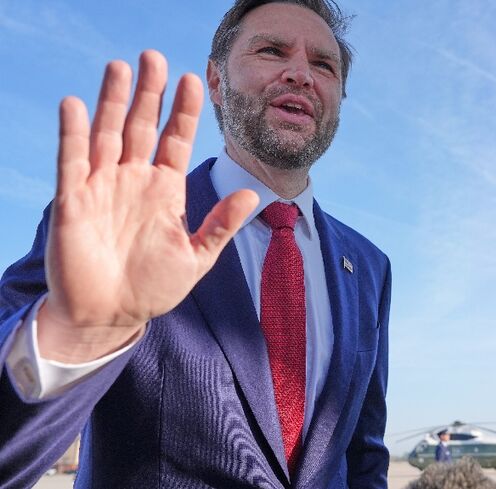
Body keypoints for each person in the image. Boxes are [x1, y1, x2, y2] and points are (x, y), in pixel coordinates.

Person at [0, 1, 391, 488]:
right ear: (215, 80)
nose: (300, 74)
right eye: (271, 50)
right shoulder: (119, 224)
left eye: (323, 64)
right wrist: (77, 332)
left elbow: (363, 453)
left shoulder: (370, 266)